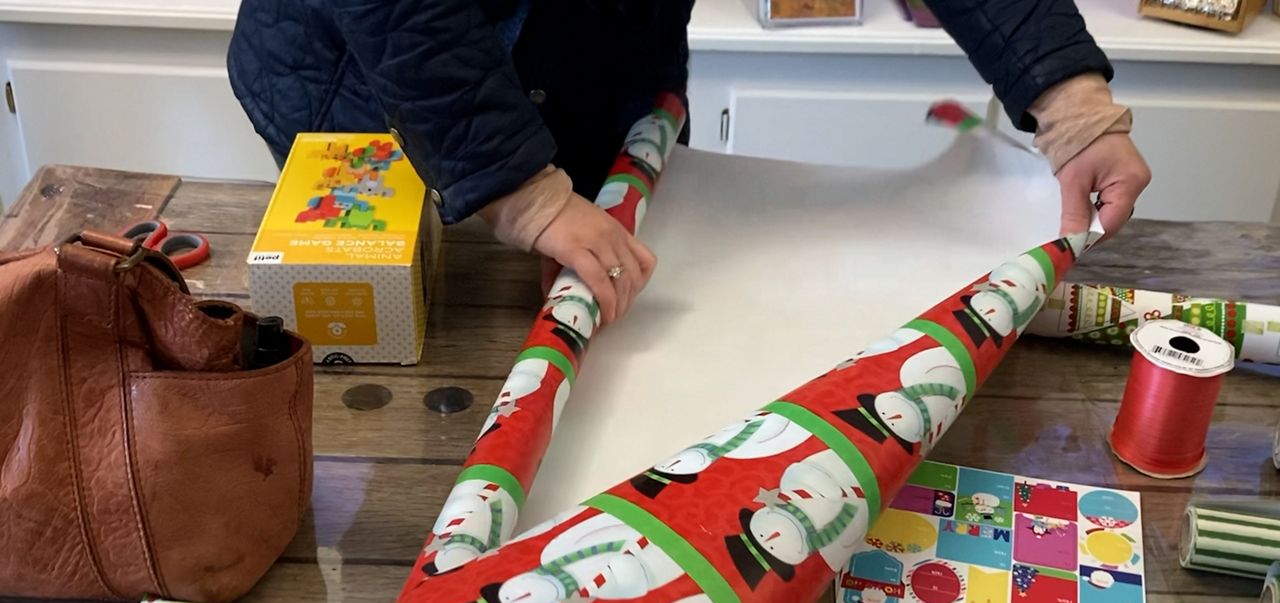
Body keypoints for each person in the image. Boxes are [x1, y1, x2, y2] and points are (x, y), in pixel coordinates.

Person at [228, 0, 1150, 326]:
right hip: (359, 84)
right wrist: (521, 194)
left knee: (600, 301)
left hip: (596, 59)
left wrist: (1070, 104)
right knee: (390, 321)